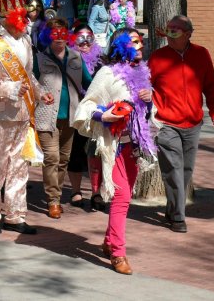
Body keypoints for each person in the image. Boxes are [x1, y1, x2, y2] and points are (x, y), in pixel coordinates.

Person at [73, 29, 157, 275]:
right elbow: (86, 105)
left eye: (140, 40)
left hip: (134, 145)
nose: (140, 44)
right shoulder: (107, 73)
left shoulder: (142, 72)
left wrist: (150, 99)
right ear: (121, 44)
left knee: (125, 195)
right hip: (114, 145)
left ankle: (109, 242)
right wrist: (104, 114)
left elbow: (148, 112)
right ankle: (119, 253)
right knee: (121, 198)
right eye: (134, 40)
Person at [0, 0, 54, 235]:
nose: (24, 20)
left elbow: (28, 75)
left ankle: (15, 215)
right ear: (6, 18)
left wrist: (40, 92)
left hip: (21, 115)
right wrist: (9, 88)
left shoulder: (26, 41)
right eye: (19, 16)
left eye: (25, 15)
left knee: (19, 168)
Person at [150, 15, 214, 233]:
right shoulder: (157, 57)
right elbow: (145, 86)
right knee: (173, 169)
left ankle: (173, 208)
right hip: (166, 123)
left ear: (188, 34)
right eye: (169, 29)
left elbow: (210, 85)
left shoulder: (202, 54)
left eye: (176, 30)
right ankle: (179, 218)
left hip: (193, 123)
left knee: (186, 171)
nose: (170, 34)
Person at [34, 19, 91, 218]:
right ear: (48, 36)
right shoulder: (39, 59)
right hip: (46, 116)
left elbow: (89, 83)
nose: (59, 38)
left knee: (63, 159)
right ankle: (53, 200)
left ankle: (54, 193)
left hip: (71, 117)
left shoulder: (76, 58)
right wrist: (40, 92)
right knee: (52, 157)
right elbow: (31, 83)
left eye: (63, 33)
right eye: (54, 34)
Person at [67, 24, 106, 211]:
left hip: (97, 114)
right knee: (75, 152)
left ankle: (96, 192)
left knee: (96, 152)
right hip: (75, 113)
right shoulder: (68, 60)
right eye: (79, 38)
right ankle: (75, 191)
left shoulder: (101, 62)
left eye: (88, 38)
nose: (84, 43)